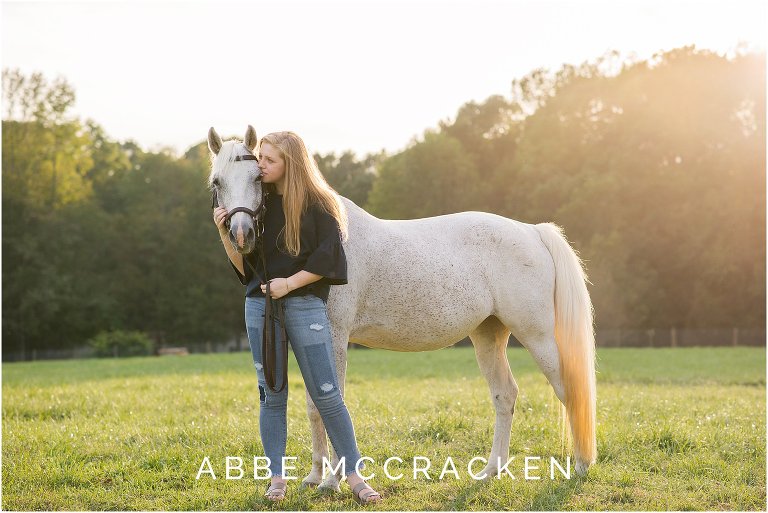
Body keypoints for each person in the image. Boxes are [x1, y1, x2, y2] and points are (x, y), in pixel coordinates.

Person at [212, 131, 382, 504]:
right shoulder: (258, 202)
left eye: (270, 160)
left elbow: (330, 260)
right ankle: (277, 477)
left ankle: (352, 473)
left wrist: (289, 284)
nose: (262, 165)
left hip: (304, 305)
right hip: (260, 307)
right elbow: (246, 270)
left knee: (327, 394)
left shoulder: (320, 205)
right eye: (261, 158)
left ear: (292, 162)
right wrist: (224, 231)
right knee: (270, 395)